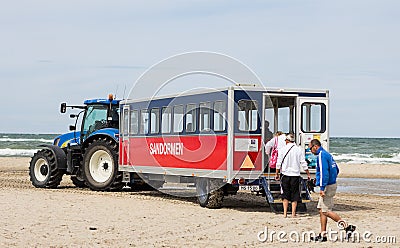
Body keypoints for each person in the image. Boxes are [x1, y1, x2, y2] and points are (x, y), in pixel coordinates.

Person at [309, 139, 356, 242]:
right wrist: (332, 179)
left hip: (327, 186)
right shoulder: (328, 154)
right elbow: (336, 169)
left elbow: (324, 172)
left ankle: (347, 227)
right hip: (331, 183)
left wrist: (322, 188)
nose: (310, 151)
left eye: (310, 148)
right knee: (321, 209)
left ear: (315, 146)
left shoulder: (321, 155)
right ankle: (323, 235)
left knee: (325, 211)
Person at [275, 134, 311, 217]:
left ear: (287, 140)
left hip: (285, 174)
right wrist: (308, 173)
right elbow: (303, 163)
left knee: (285, 193)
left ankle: (284, 213)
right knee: (295, 194)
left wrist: (277, 173)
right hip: (295, 175)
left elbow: (279, 163)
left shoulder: (282, 149)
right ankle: (293, 213)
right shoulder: (299, 150)